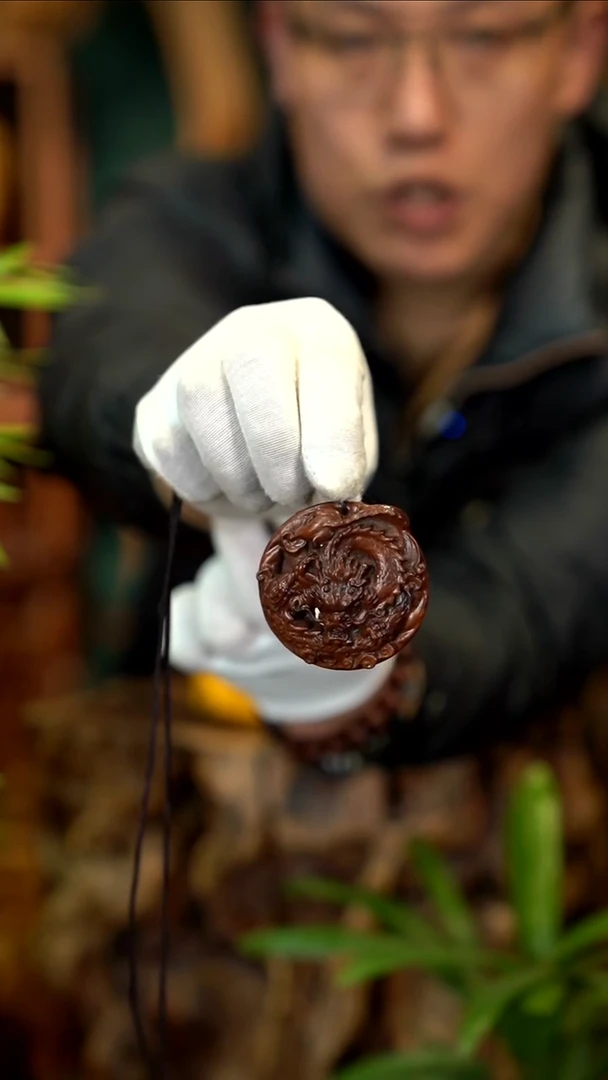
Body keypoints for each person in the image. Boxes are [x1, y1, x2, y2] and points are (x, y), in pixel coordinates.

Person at [39, 0, 608, 774]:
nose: (416, 114)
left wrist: (363, 681)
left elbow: (540, 593)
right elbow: (108, 340)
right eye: (351, 39)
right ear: (279, 48)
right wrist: (174, 419)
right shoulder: (194, 217)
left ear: (579, 50)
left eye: (485, 38)